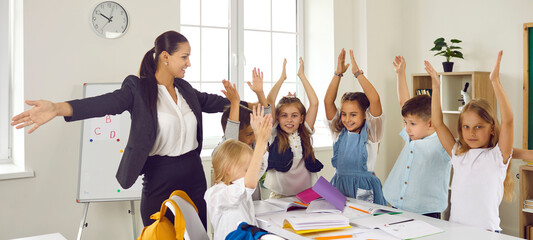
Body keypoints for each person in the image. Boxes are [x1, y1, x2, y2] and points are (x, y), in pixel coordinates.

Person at [10, 31, 249, 227]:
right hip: (160, 176)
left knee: (197, 233)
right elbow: (102, 103)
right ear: (165, 56)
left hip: (193, 174)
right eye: (184, 57)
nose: (189, 63)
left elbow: (219, 103)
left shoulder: (185, 89)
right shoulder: (138, 88)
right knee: (158, 233)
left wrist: (258, 104)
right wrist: (57, 107)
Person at [426, 51, 514, 232]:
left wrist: (495, 81)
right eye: (466, 127)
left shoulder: (498, 156)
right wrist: (436, 86)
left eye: (478, 127)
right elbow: (438, 123)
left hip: (487, 234)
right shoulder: (458, 152)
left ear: (491, 128)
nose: (471, 133)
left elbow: (508, 121)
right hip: (456, 231)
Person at [382, 56, 451, 218]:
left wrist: (436, 84)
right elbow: (403, 103)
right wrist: (400, 74)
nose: (406, 128)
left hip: (426, 209)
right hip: (397, 201)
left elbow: (439, 119)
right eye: (405, 122)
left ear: (431, 124)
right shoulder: (412, 136)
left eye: (412, 124)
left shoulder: (442, 143)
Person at [324, 49, 386, 205]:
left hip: (364, 189)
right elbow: (327, 101)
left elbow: (375, 99)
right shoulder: (338, 131)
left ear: (365, 114)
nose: (347, 119)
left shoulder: (372, 132)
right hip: (338, 187)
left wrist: (358, 73)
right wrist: (338, 74)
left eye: (353, 114)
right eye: (344, 114)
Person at [204, 105, 272, 240]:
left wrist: (260, 140)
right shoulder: (217, 194)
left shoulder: (238, 184)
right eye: (247, 169)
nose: (252, 172)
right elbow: (249, 184)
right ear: (229, 168)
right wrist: (260, 142)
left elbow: (260, 166)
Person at [263, 57, 323, 199]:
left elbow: (314, 103)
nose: (289, 120)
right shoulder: (273, 133)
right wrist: (282, 78)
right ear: (277, 117)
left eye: (294, 116)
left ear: (302, 118)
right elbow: (270, 100)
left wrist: (301, 76)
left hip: (306, 194)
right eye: (284, 115)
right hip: (280, 195)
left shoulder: (305, 131)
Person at [217, 69, 271, 200]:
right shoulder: (223, 151)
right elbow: (231, 140)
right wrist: (235, 103)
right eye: (248, 134)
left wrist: (260, 93)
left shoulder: (250, 148)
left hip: (254, 209)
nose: (253, 138)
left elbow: (266, 122)